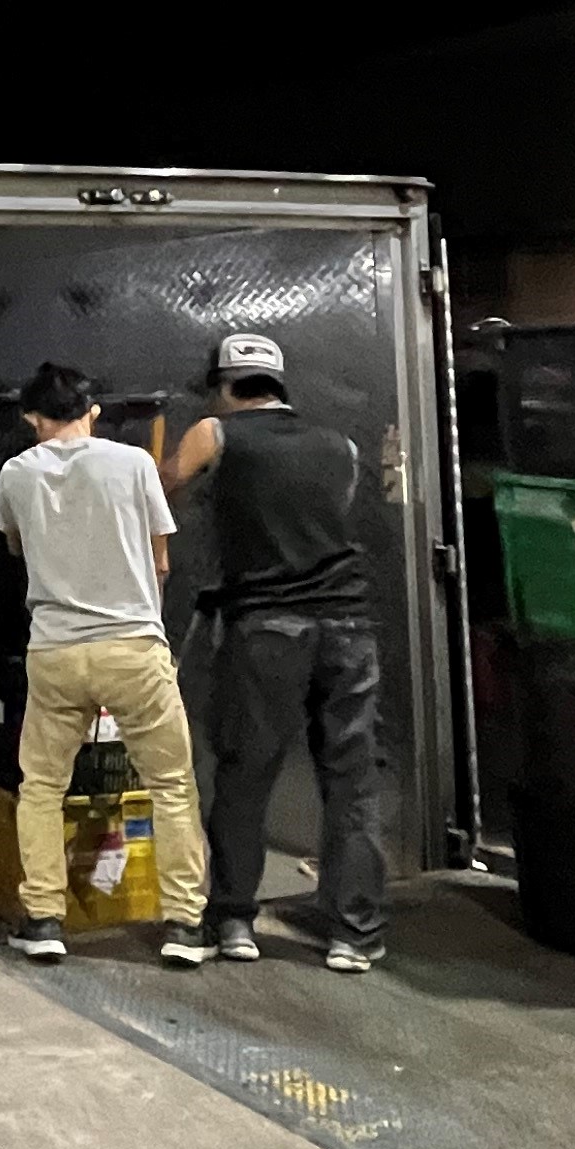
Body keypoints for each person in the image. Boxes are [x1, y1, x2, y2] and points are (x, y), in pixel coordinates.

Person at [162, 329, 387, 971]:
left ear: (225, 387)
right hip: (349, 627)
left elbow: (159, 489)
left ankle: (234, 921)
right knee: (351, 782)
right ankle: (354, 935)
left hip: (268, 629)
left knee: (246, 773)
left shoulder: (215, 434)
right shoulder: (339, 446)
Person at [0, 359, 210, 966]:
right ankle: (185, 926)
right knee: (170, 785)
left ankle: (42, 920)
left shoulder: (15, 473)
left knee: (42, 787)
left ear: (31, 418)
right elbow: (160, 559)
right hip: (133, 647)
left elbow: (15, 545)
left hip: (56, 650)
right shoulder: (134, 463)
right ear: (92, 412)